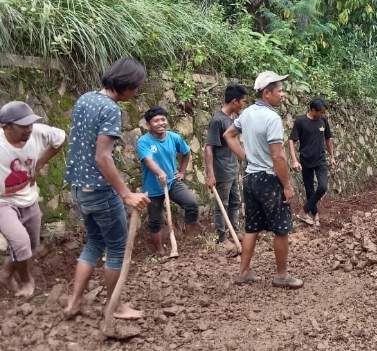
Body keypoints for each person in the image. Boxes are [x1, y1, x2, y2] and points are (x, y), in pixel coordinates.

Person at [64, 58, 150, 320]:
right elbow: (103, 157)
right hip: (100, 192)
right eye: (135, 87)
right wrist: (126, 194)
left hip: (79, 189)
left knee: (94, 243)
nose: (136, 92)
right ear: (125, 85)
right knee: (116, 247)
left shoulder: (85, 99)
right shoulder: (110, 108)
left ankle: (74, 302)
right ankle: (116, 306)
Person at [223, 71, 303, 289]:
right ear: (266, 93)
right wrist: (287, 185)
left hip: (250, 178)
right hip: (268, 179)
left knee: (252, 227)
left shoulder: (246, 114)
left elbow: (228, 135)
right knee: (281, 228)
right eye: (279, 90)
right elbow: (277, 156)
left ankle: (243, 272)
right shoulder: (272, 118)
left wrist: (246, 158)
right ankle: (282, 275)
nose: (282, 94)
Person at [0, 101, 66, 297]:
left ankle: (5, 274)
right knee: (20, 243)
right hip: (3, 201)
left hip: (29, 198)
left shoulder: (37, 132)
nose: (29, 129)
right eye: (23, 125)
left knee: (30, 245)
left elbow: (60, 139)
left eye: (31, 123)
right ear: (6, 126)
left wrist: (40, 164)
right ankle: (28, 281)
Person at [137, 106, 199, 255]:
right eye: (156, 121)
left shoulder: (174, 137)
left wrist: (182, 171)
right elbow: (148, 160)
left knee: (192, 204)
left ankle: (188, 241)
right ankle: (159, 250)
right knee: (154, 220)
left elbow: (186, 152)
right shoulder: (143, 141)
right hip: (152, 187)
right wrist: (159, 172)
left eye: (163, 119)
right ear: (148, 125)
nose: (160, 123)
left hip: (171, 182)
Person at [204, 84, 249, 249]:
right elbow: (209, 147)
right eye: (243, 101)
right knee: (221, 204)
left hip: (231, 168)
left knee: (235, 201)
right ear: (235, 101)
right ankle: (222, 237)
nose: (244, 105)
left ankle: (234, 231)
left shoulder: (231, 119)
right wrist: (210, 174)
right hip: (221, 170)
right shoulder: (217, 120)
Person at [288, 97, 336, 227]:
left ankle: (303, 212)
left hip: (320, 160)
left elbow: (328, 139)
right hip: (305, 160)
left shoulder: (323, 121)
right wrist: (294, 160)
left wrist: (332, 156)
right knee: (309, 189)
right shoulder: (301, 121)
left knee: (322, 186)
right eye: (320, 112)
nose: (322, 115)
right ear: (313, 110)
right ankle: (315, 215)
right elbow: (292, 140)